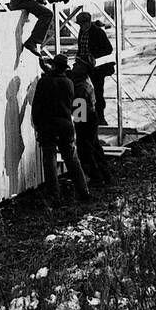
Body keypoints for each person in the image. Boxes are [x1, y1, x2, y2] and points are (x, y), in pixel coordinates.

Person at [31, 53, 92, 204]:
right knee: (72, 159)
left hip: (48, 126)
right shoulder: (69, 83)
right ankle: (83, 190)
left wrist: (38, 125)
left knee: (49, 160)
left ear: (53, 66)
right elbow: (75, 107)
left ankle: (54, 195)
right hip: (66, 125)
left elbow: (37, 107)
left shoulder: (43, 82)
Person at [70, 56, 112, 188]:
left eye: (77, 64)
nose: (74, 66)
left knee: (86, 148)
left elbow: (79, 111)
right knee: (94, 147)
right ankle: (105, 175)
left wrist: (77, 125)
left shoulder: (82, 86)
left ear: (84, 69)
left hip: (85, 118)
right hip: (88, 117)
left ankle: (96, 177)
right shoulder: (80, 80)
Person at [73, 10, 114, 124]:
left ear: (88, 22)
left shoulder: (98, 32)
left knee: (97, 92)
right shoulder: (82, 31)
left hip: (96, 67)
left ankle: (100, 118)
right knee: (79, 89)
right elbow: (82, 47)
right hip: (83, 64)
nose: (81, 26)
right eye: (80, 24)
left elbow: (108, 49)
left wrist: (94, 57)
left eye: (82, 24)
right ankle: (79, 118)